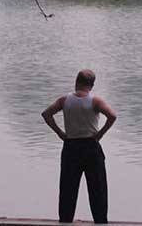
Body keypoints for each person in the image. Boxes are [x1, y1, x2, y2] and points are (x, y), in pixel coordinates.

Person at [42, 69, 117, 223]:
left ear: (76, 82)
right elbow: (112, 116)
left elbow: (46, 114)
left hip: (71, 147)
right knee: (98, 191)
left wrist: (60, 133)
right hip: (91, 147)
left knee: (68, 191)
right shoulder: (95, 101)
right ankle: (100, 221)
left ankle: (65, 221)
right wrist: (100, 134)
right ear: (92, 85)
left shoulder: (65, 100)